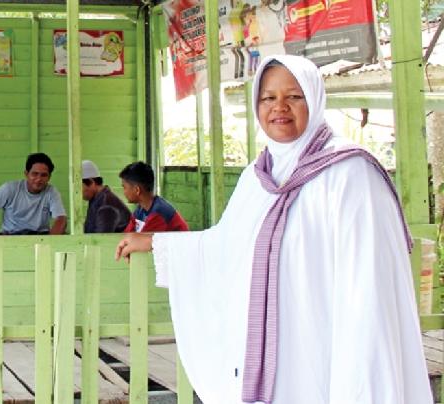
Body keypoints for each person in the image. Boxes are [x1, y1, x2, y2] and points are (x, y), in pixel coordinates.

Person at [115, 55, 433, 403]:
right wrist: (155, 243)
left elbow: (371, 290)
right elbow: (226, 246)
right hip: (271, 358)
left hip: (328, 352)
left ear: (314, 98)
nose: (279, 107)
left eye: (294, 96)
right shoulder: (258, 175)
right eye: (268, 98)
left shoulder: (351, 175)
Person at [0, 152, 67, 235]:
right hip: (11, 237)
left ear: (49, 177)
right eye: (34, 174)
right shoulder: (11, 188)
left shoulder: (51, 192)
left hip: (40, 238)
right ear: (26, 174)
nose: (39, 179)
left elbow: (61, 219)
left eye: (44, 175)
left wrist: (50, 242)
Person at [119, 161, 189, 233]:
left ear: (137, 190)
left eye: (124, 187)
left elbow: (141, 242)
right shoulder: (141, 209)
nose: (124, 192)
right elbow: (127, 234)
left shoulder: (158, 213)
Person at [81, 160, 130, 233]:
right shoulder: (96, 199)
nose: (78, 192)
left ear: (91, 182)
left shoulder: (106, 205)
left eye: (79, 187)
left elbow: (101, 240)